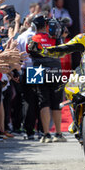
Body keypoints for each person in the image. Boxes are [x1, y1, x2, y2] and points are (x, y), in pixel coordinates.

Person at [27, 13, 67, 143]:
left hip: (36, 71)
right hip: (54, 70)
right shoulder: (55, 38)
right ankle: (58, 133)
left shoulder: (32, 39)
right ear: (45, 25)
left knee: (42, 102)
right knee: (56, 103)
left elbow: (30, 53)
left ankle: (45, 134)